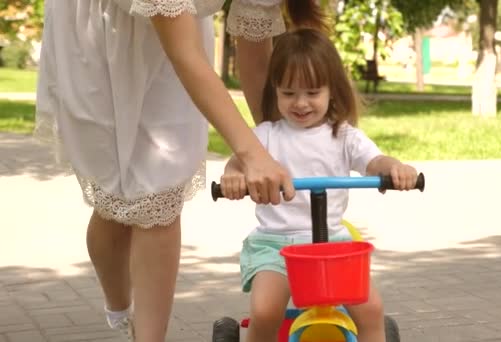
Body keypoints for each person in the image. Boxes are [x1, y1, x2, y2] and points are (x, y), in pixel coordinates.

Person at [34, 1, 327, 341]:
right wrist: (251, 155)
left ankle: (147, 335)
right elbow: (183, 52)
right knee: (117, 201)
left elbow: (256, 53)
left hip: (180, 31)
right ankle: (121, 308)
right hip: (102, 35)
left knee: (161, 189)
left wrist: (280, 145)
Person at [219, 28, 419, 342]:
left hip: (333, 248)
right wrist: (233, 176)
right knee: (265, 311)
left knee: (371, 310)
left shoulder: (344, 135)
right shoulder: (266, 135)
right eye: (289, 93)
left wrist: (395, 168)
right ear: (275, 90)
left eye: (312, 92)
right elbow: (238, 163)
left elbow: (375, 161)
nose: (300, 103)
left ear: (331, 90)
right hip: (276, 247)